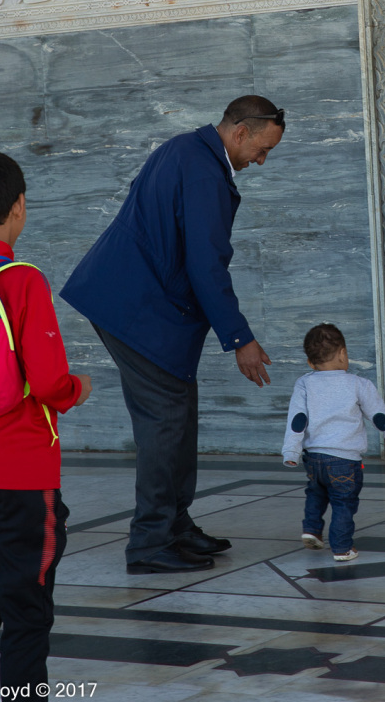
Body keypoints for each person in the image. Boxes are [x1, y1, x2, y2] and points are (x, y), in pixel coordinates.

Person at [61, 96, 283, 574]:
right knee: (164, 421)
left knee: (177, 413)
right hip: (137, 308)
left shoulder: (186, 149)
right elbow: (205, 265)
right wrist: (239, 338)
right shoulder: (203, 171)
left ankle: (175, 526)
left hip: (138, 303)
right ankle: (149, 542)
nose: (261, 161)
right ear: (239, 133)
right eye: (262, 150)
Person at [0, 149, 91, 700]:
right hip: (22, 472)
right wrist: (79, 388)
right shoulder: (24, 281)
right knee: (26, 608)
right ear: (20, 207)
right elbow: (50, 384)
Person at [282, 323, 385, 562]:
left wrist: (290, 451)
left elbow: (297, 420)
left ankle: (311, 529)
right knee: (344, 503)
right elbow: (378, 415)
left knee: (316, 493)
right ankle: (342, 548)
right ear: (343, 353)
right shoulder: (358, 384)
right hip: (345, 460)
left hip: (313, 459)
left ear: (310, 363)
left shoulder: (304, 383)